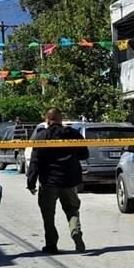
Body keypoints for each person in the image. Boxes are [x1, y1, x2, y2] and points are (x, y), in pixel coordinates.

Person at [26, 108, 89, 254]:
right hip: (69, 180)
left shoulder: (41, 136)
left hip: (48, 182)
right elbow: (84, 154)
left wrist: (31, 182)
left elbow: (35, 161)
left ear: (47, 121)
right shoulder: (73, 134)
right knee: (72, 209)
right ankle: (75, 231)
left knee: (48, 215)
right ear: (61, 119)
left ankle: (51, 245)